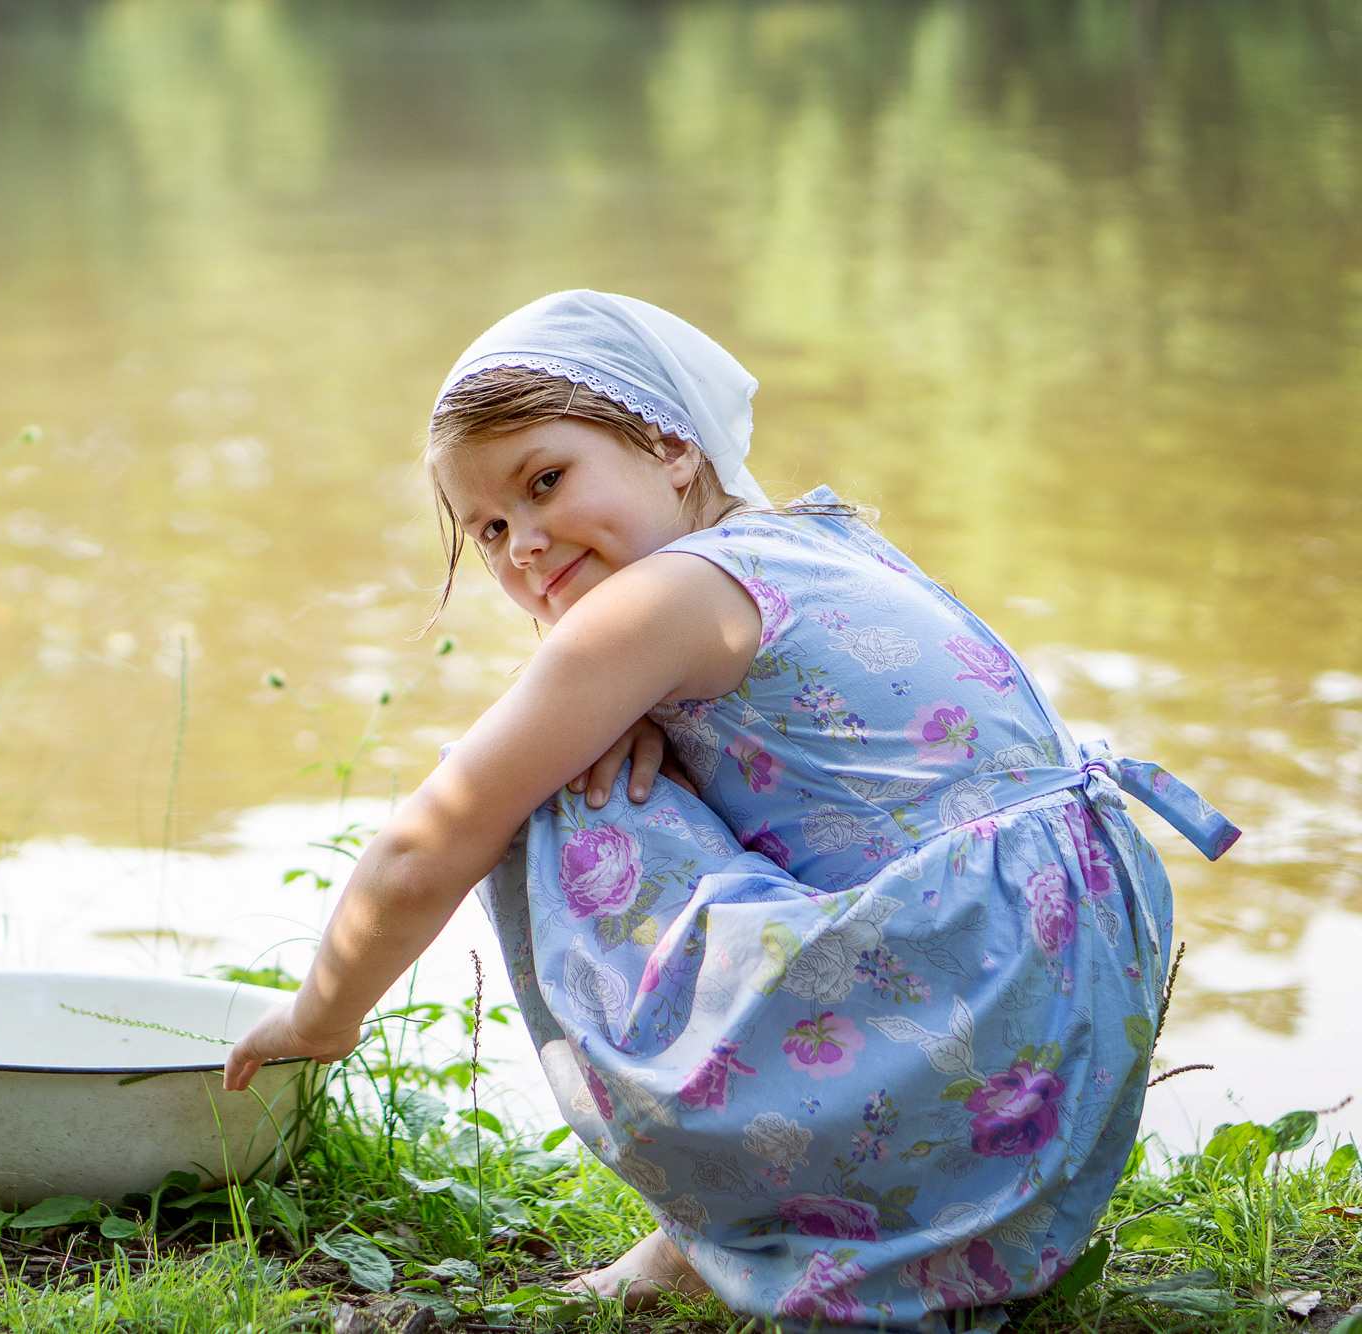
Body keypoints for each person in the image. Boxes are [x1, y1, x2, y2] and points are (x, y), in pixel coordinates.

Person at [224, 290, 1238, 1331]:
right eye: (488, 527)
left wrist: (318, 1017)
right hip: (1054, 1023)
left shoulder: (663, 596)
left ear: (671, 446)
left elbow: (424, 843)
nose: (522, 543)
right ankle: (728, 1243)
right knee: (579, 749)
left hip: (962, 1005)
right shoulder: (814, 540)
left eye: (545, 480)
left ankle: (750, 1215)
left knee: (532, 796)